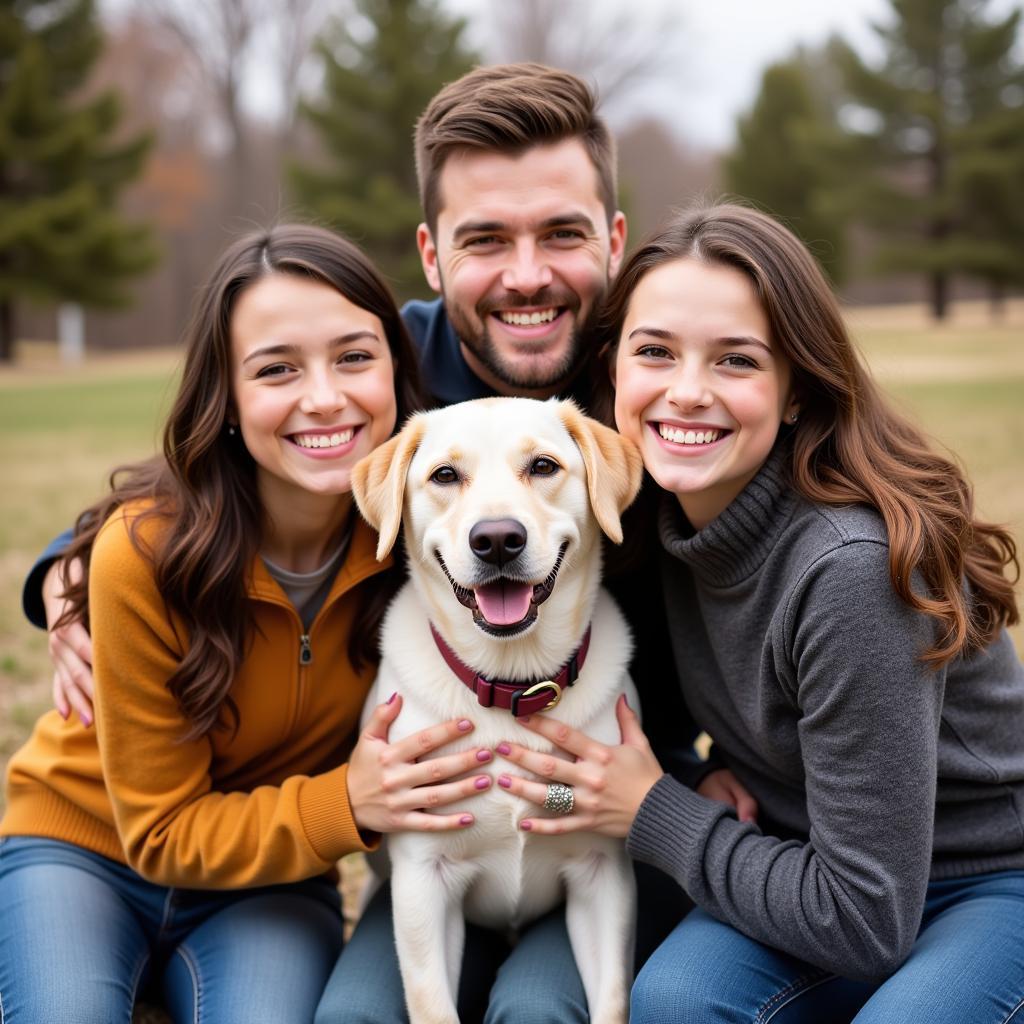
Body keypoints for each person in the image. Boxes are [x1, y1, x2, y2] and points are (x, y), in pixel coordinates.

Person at [17, 63, 755, 1009]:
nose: (526, 275)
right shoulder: (383, 385)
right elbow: (206, 477)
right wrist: (63, 581)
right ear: (433, 255)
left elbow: (784, 544)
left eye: (561, 234)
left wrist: (715, 771)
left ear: (613, 239)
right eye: (485, 239)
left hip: (598, 792)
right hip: (426, 817)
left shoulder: (667, 395)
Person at [491, 203, 1024, 1023]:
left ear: (796, 392)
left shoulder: (846, 572)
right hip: (803, 858)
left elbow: (863, 919)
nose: (687, 391)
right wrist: (668, 780)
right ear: (613, 371)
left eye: (735, 360)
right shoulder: (642, 525)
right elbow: (625, 755)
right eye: (655, 352)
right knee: (677, 1002)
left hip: (985, 881)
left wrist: (654, 808)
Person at [0, 224, 510, 1022]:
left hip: (268, 882)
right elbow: (161, 832)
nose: (325, 397)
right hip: (85, 849)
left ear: (398, 374)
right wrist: (349, 802)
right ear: (227, 399)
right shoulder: (145, 554)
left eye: (354, 357)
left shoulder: (436, 533)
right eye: (277, 369)